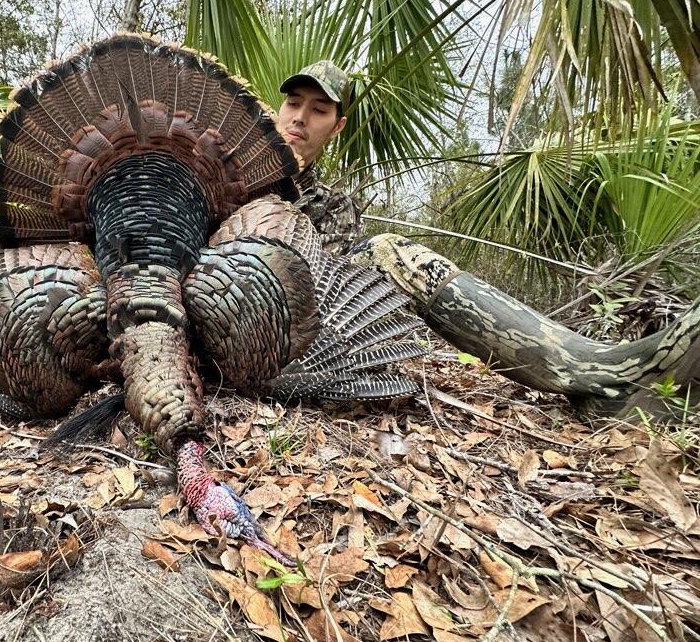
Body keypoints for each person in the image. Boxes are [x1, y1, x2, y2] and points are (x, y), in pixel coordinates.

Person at [276, 61, 700, 417]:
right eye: (293, 103)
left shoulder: (335, 206)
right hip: (239, 314)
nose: (299, 117)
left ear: (337, 126)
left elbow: (321, 288)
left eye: (318, 110)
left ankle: (594, 371)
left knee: (387, 252)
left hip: (285, 332)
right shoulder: (239, 164)